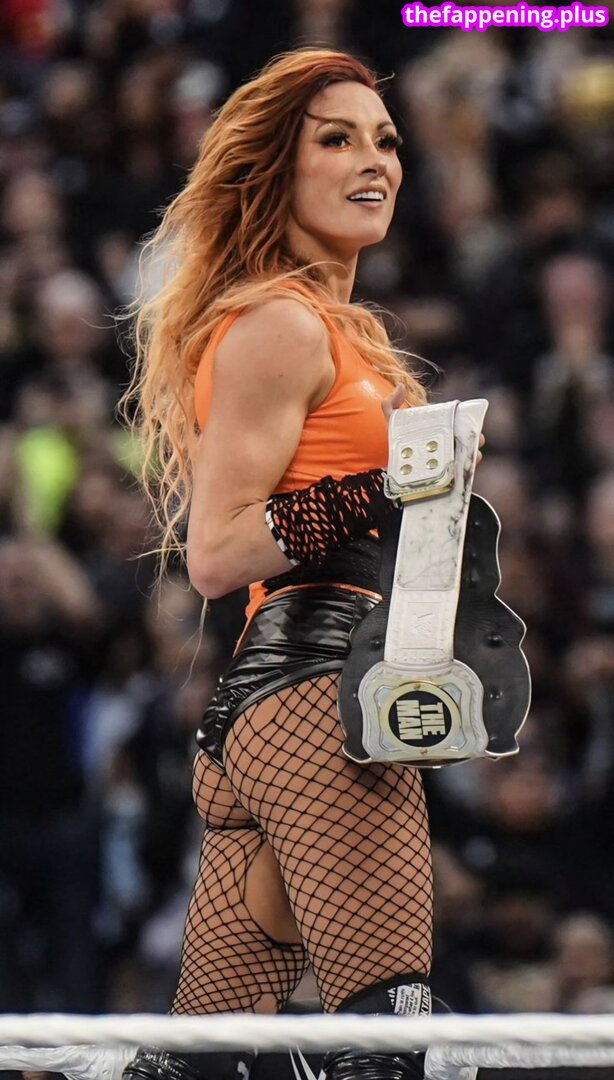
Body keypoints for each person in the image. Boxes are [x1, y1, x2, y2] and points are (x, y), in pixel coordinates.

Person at [122, 47, 479, 1080]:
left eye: (385, 141)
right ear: (275, 168)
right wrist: (385, 487)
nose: (374, 161)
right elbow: (217, 550)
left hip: (288, 706)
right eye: (336, 139)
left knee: (193, 1069)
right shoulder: (278, 326)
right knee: (389, 1049)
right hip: (320, 698)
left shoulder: (334, 333)